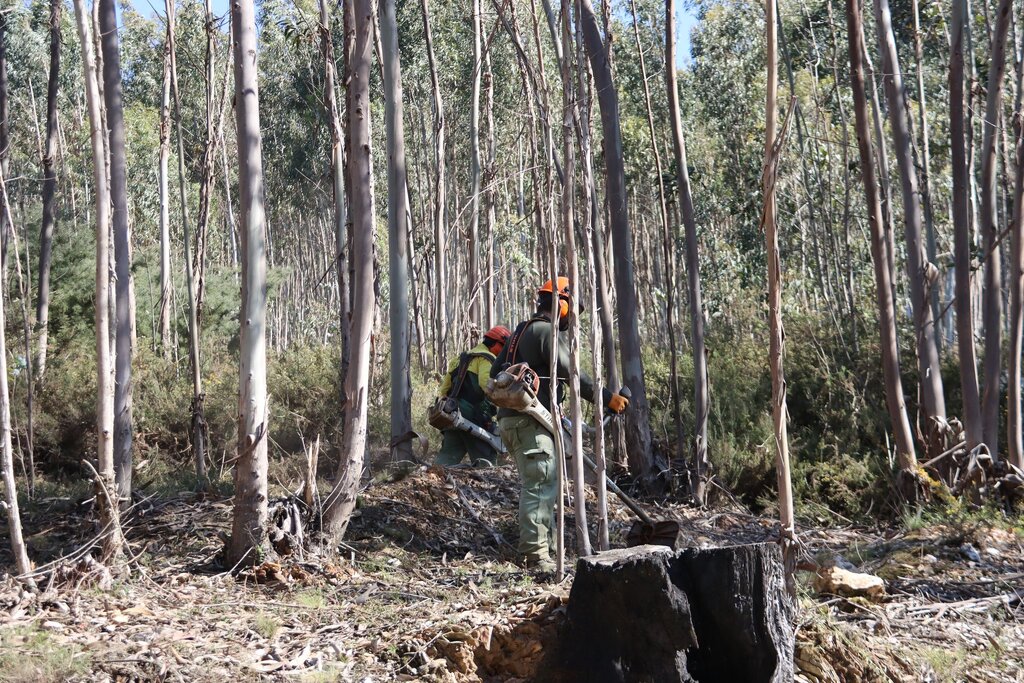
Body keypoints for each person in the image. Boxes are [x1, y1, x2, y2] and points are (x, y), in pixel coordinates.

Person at [490, 277, 629, 575]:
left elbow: (493, 371)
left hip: (511, 421)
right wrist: (609, 400)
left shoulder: (518, 333)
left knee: (543, 484)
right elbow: (575, 375)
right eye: (571, 309)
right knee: (540, 484)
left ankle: (548, 549)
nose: (571, 317)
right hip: (530, 421)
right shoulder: (545, 332)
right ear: (561, 304)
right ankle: (536, 557)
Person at [433, 325, 512, 468]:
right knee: (486, 459)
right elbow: (485, 384)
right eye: (503, 347)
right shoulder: (487, 358)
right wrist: (505, 400)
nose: (504, 352)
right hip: (474, 417)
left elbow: (444, 389)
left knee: (447, 457)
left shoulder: (459, 359)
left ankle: (431, 480)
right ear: (495, 344)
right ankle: (487, 488)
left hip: (452, 414)